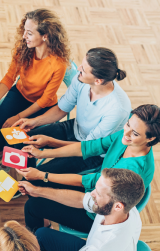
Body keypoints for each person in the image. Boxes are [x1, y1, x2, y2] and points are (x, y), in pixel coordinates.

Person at [19, 104, 159, 233]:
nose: (126, 132)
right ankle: (43, 225)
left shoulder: (132, 171)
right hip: (95, 191)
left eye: (135, 133)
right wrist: (46, 149)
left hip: (98, 213)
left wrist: (42, 176)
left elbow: (86, 182)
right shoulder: (126, 137)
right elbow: (88, 147)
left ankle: (37, 245)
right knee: (38, 186)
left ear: (150, 138)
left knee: (33, 206)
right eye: (127, 124)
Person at [24, 168, 145, 251]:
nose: (92, 194)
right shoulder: (128, 210)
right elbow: (82, 199)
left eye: (98, 193)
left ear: (118, 206)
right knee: (42, 234)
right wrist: (37, 191)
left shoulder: (100, 250)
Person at [9, 47, 130, 175]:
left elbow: (86, 148)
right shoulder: (80, 79)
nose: (78, 69)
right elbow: (62, 108)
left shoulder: (117, 109)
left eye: (83, 69)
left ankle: (27, 182)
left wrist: (48, 145)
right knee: (22, 141)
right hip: (76, 129)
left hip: (92, 152)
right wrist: (34, 122)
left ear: (97, 81)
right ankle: (26, 177)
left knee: (40, 173)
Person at [0, 8, 70, 177]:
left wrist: (18, 117)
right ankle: (0, 153)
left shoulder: (58, 64)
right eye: (24, 31)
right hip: (20, 93)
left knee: (19, 137)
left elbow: (45, 100)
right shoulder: (23, 48)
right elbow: (10, 77)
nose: (24, 37)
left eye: (29, 33)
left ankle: (11, 161)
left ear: (45, 36)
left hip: (41, 105)